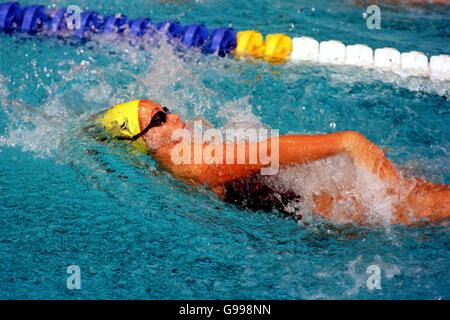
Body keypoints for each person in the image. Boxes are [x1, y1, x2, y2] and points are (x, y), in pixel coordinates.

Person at [93, 99, 450, 225]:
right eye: (159, 120)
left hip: (304, 191)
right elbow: (268, 152)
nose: (175, 118)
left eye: (166, 111)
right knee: (421, 200)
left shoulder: (173, 164)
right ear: (140, 143)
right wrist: (346, 142)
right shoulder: (197, 163)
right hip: (317, 202)